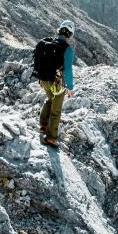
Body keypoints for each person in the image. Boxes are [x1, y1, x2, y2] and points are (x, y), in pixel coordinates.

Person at [39, 19, 77, 148]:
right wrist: (70, 87)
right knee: (56, 111)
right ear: (70, 34)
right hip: (57, 83)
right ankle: (51, 138)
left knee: (50, 99)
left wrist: (41, 80)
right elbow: (68, 70)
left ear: (59, 31)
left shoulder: (48, 44)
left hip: (44, 80)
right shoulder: (68, 50)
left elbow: (43, 63)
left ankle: (43, 125)